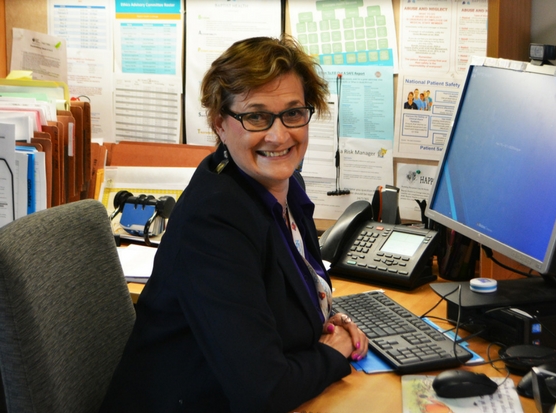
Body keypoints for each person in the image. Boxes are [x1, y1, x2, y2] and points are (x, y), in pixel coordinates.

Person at [99, 35, 368, 413]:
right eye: (256, 116)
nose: (279, 135)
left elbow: (278, 301)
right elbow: (265, 391)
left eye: (293, 113)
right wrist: (333, 353)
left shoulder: (283, 186)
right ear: (219, 124)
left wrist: (325, 320)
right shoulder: (214, 222)